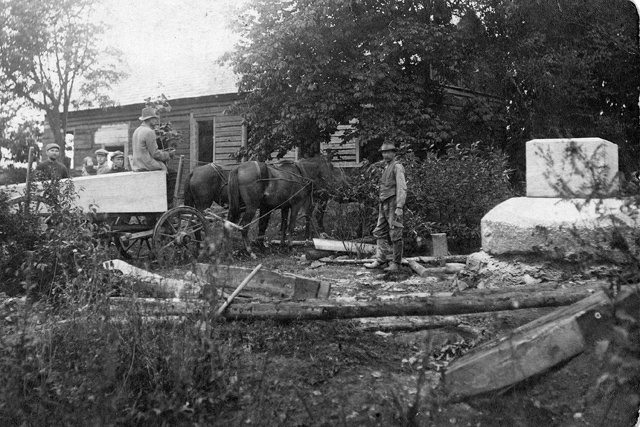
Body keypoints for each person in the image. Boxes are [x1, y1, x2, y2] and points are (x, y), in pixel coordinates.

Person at [364, 142, 407, 272]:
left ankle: (396, 263)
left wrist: (399, 206)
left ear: (394, 153)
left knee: (395, 232)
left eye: (388, 152)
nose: (385, 154)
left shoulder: (397, 167)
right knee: (380, 231)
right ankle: (380, 260)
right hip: (384, 204)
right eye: (383, 152)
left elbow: (402, 187)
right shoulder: (386, 166)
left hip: (394, 204)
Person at [131, 107, 176, 206]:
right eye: (154, 119)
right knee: (173, 175)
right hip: (147, 165)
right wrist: (169, 154)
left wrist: (162, 152)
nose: (156, 121)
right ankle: (167, 204)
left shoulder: (137, 131)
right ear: (149, 119)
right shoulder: (149, 132)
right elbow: (155, 154)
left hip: (137, 165)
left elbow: (144, 149)